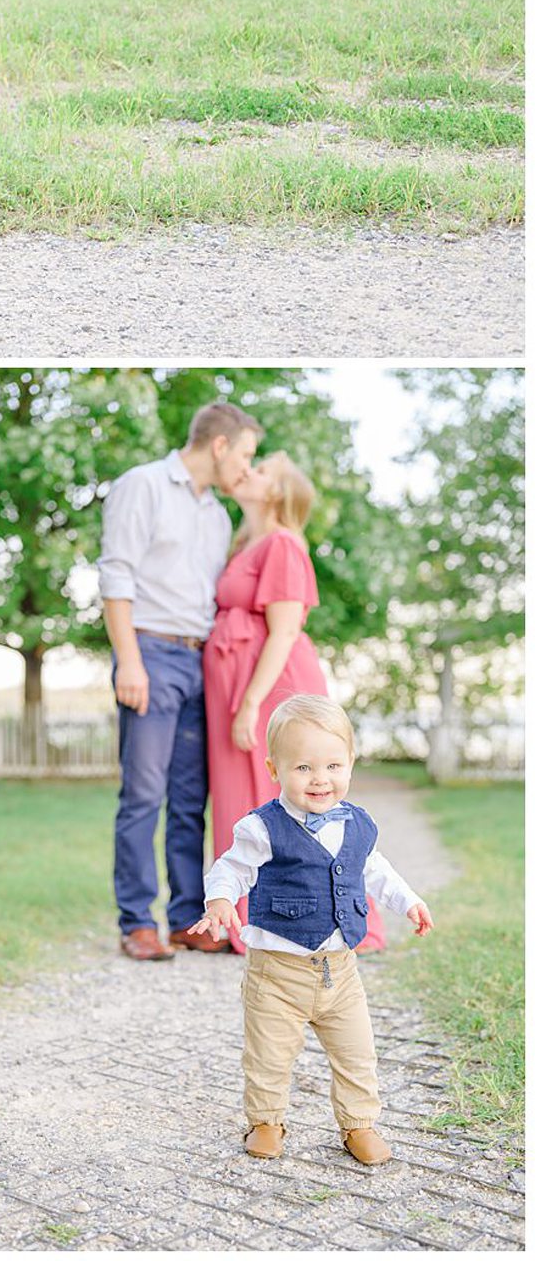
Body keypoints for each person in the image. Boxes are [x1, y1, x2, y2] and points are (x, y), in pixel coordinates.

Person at [198, 696, 432, 1167]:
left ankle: (358, 1124)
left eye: (332, 765)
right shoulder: (262, 827)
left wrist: (408, 901)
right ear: (274, 769)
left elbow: (376, 871)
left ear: (350, 764)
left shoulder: (358, 824)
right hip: (277, 974)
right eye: (303, 767)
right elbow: (231, 866)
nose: (320, 778)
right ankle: (266, 1120)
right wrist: (220, 898)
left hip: (341, 972)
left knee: (357, 1054)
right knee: (268, 1055)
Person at [199, 450, 383, 957]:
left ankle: (327, 916)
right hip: (238, 684)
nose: (248, 471)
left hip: (270, 686)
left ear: (276, 493)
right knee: (247, 801)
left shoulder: (282, 544)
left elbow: (283, 633)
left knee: (293, 796)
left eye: (260, 471)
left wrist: (251, 703)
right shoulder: (247, 542)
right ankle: (257, 917)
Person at [99, 399, 261, 961]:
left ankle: (187, 919)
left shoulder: (216, 515)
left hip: (201, 663)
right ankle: (136, 921)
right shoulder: (141, 486)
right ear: (219, 445)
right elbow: (115, 574)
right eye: (244, 454)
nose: (245, 467)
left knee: (191, 800)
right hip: (150, 650)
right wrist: (130, 661)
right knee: (143, 795)